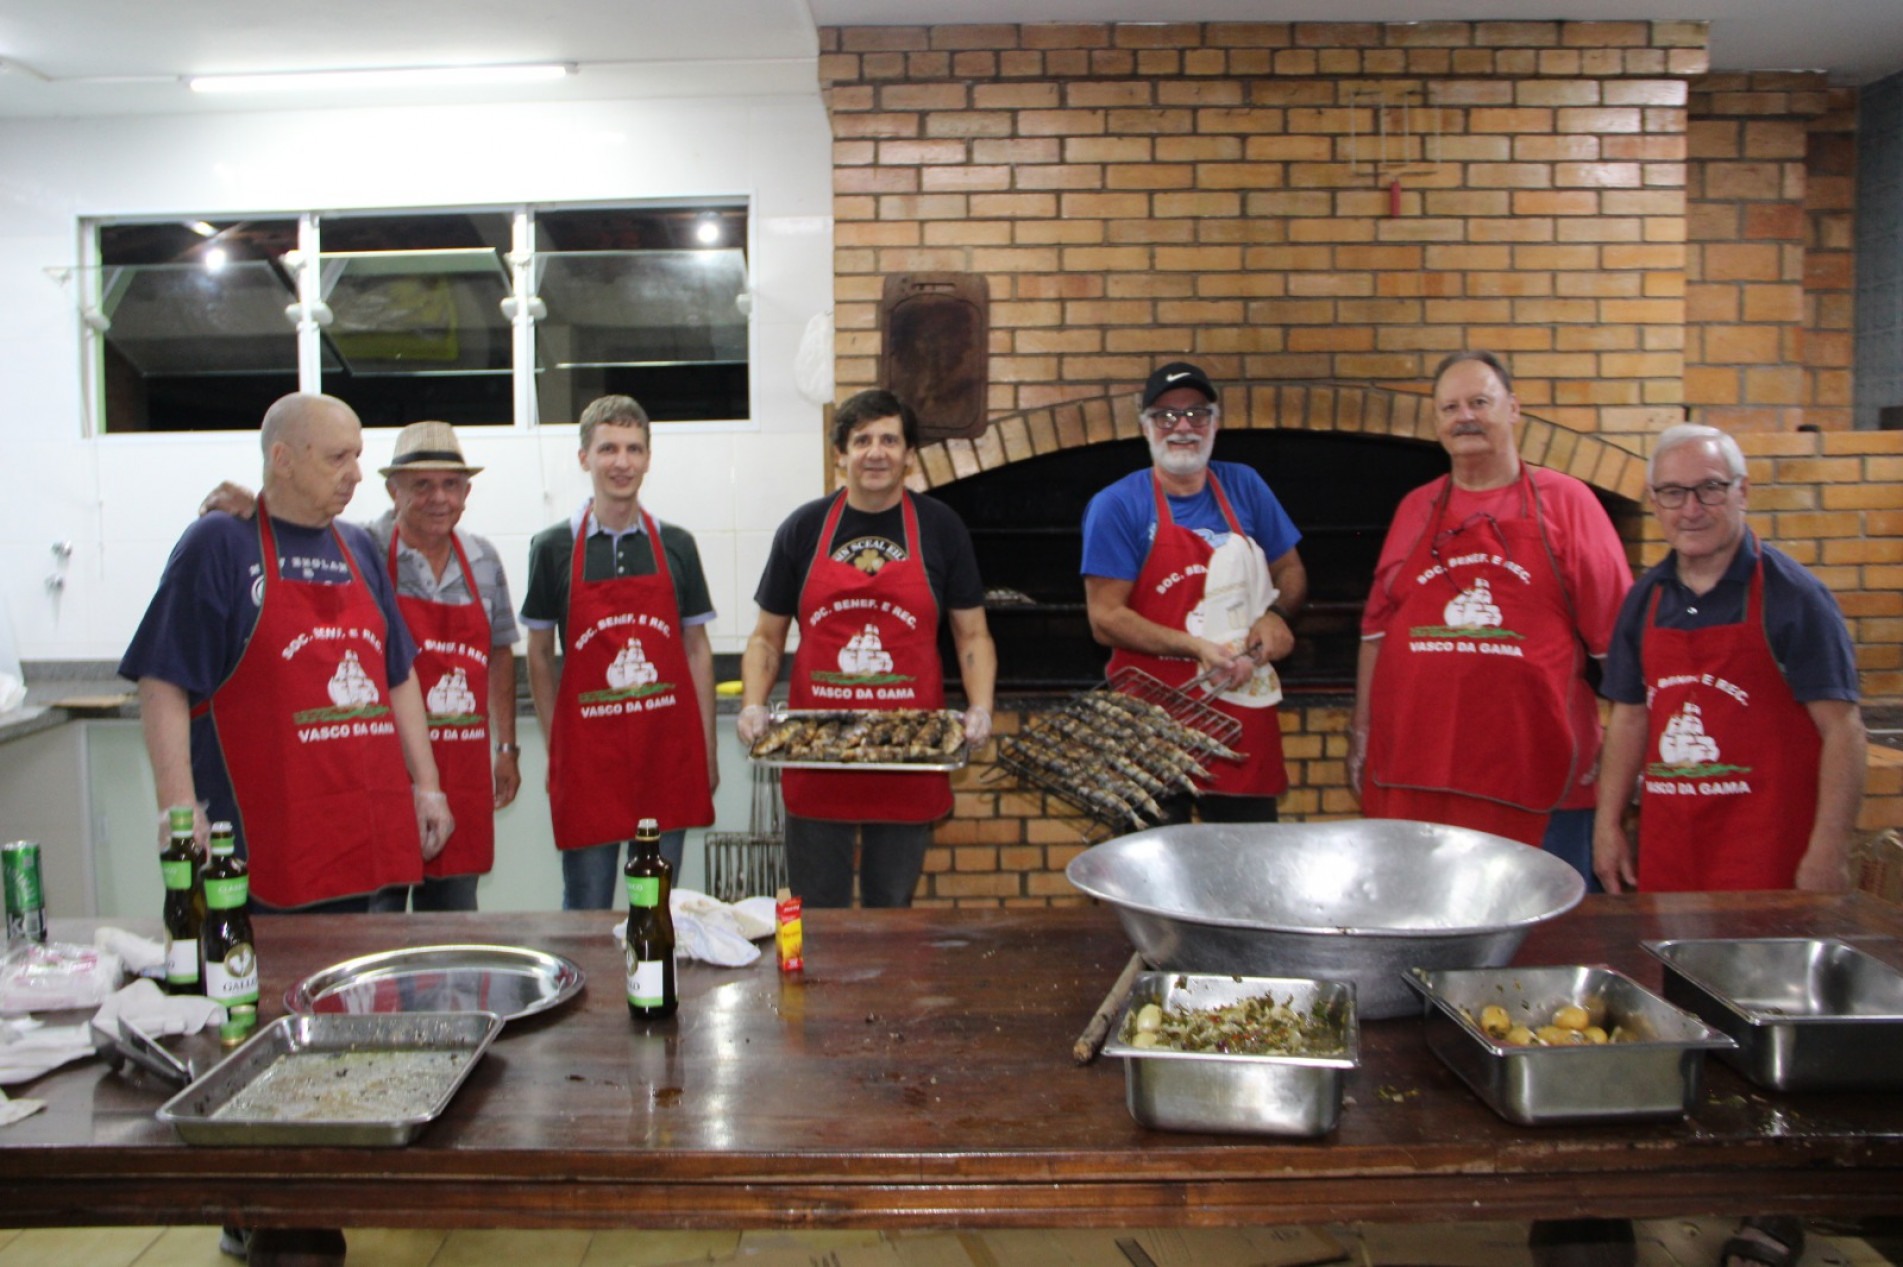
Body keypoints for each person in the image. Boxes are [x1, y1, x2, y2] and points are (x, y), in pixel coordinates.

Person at [120, 391, 453, 913]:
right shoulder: (220, 543)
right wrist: (177, 807)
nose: (356, 474)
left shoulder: (359, 547)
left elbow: (398, 675)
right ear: (283, 460)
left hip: (367, 841)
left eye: (358, 456)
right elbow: (163, 680)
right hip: (264, 846)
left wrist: (428, 785)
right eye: (337, 457)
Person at [197, 421, 522, 913]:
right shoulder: (357, 547)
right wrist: (243, 509)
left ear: (467, 492)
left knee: (455, 922)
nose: (439, 498)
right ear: (392, 490)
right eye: (422, 485)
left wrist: (505, 746)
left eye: (451, 485)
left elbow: (499, 651)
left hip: (460, 773)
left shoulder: (484, 559)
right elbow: (295, 521)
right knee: (378, 922)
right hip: (379, 777)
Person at [1349, 351, 1633, 888]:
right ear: (1436, 423)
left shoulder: (1567, 502)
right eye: (1450, 407)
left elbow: (1622, 651)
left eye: (1480, 402)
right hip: (1414, 777)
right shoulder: (1415, 507)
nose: (1465, 417)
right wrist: (1360, 733)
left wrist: (1619, 755)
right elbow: (1376, 634)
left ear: (1514, 409)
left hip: (1535, 776)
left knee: (1536, 949)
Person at [737, 389, 996, 908]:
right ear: (840, 453)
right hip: (817, 754)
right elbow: (767, 637)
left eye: (889, 440)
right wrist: (751, 703)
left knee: (892, 910)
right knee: (818, 913)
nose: (875, 452)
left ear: (908, 455)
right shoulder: (805, 528)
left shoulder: (941, 528)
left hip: (909, 752)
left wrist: (981, 707)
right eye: (862, 440)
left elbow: (972, 635)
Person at [1594, 423, 1864, 895]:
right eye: (1674, 493)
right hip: (1669, 857)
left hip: (1770, 859)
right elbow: (1630, 720)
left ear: (1743, 491)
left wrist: (1828, 851)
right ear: (1655, 503)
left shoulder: (1797, 598)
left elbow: (1844, 732)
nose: (1692, 509)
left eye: (1710, 489)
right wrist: (1607, 824)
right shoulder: (1644, 600)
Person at [1080, 361, 1306, 822]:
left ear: (1215, 425)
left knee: (1246, 869)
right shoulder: (1117, 506)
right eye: (1165, 416)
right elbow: (1105, 618)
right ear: (1145, 428)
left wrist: (1278, 615)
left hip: (1242, 713)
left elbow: (1291, 570)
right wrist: (1193, 646)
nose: (1182, 427)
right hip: (1150, 721)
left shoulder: (1245, 484)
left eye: (1197, 414)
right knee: (1152, 877)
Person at [521, 395, 718, 909]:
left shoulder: (676, 544)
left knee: (654, 904)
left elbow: (696, 649)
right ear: (584, 457)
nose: (622, 462)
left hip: (665, 757)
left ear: (649, 458)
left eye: (634, 449)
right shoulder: (552, 548)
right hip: (588, 763)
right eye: (608, 448)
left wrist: (706, 751)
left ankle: (651, 991)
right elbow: (539, 656)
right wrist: (556, 746)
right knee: (584, 903)